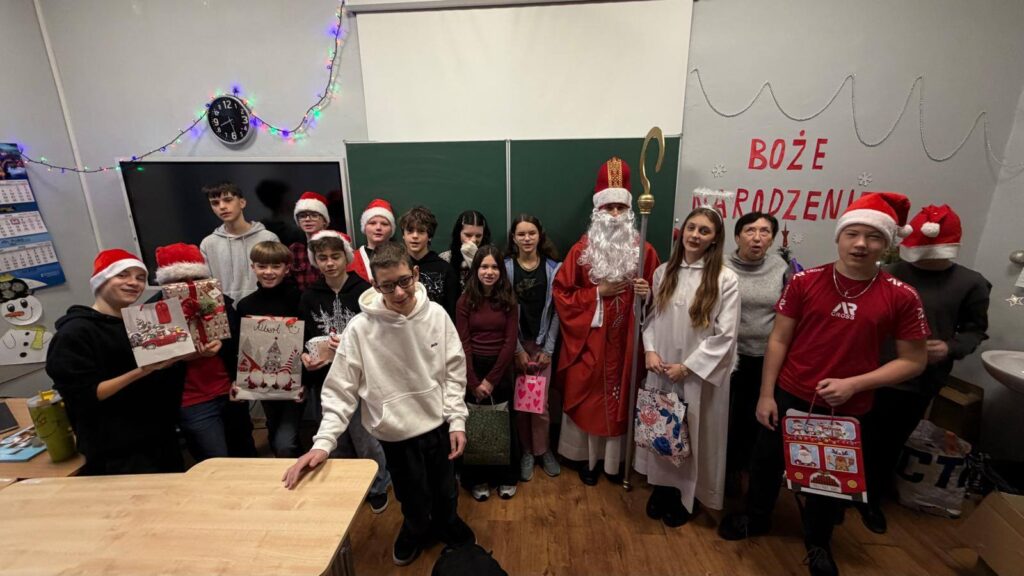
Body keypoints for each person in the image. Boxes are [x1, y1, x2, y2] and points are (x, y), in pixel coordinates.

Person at [718, 192, 930, 576]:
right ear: (839, 237)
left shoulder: (901, 296)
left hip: (847, 407)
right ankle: (758, 517)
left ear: (887, 243)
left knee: (829, 478)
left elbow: (914, 360)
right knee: (766, 461)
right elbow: (779, 339)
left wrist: (856, 384)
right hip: (789, 393)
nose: (861, 244)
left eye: (873, 236)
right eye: (853, 234)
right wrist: (766, 394)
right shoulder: (805, 281)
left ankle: (818, 542)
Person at [284, 241, 473, 567]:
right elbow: (340, 390)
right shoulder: (360, 329)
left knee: (445, 488)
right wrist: (323, 443)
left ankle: (448, 522)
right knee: (411, 494)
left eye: (404, 281)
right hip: (394, 432)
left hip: (438, 423)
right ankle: (415, 528)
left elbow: (454, 371)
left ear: (415, 273)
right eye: (387, 286)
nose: (398, 292)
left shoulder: (437, 315)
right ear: (374, 284)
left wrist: (457, 419)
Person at [859, 205, 991, 534]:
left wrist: (949, 348)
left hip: (918, 380)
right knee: (859, 434)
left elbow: (975, 331)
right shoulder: (886, 273)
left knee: (891, 441)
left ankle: (871, 499)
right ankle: (844, 492)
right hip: (868, 371)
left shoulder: (971, 284)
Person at [553, 157, 659, 485]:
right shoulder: (581, 251)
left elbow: (660, 300)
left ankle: (615, 464)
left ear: (629, 211)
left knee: (621, 398)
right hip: (590, 343)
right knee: (590, 401)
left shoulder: (645, 251)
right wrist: (598, 292)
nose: (614, 214)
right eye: (608, 207)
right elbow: (562, 294)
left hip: (627, 344)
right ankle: (587, 460)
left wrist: (647, 293)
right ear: (597, 210)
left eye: (620, 207)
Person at [637, 206, 740, 527]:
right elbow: (652, 319)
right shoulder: (664, 272)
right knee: (663, 428)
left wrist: (689, 367)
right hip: (662, 368)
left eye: (704, 231)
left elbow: (726, 335)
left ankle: (688, 496)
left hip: (697, 374)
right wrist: (650, 351)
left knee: (695, 433)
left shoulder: (725, 279)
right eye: (691, 228)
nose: (695, 235)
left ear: (715, 239)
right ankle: (663, 487)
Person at [46, 249, 185, 475]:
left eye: (140, 277)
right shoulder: (75, 332)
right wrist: (142, 370)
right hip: (116, 450)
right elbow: (83, 395)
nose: (134, 283)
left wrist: (191, 353)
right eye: (122, 275)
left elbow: (162, 369)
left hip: (159, 437)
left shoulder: (139, 324)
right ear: (100, 281)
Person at [299, 230, 391, 513]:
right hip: (324, 378)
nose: (329, 263)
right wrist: (305, 357)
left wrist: (352, 346)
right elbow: (302, 335)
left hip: (362, 378)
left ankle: (377, 485)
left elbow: (379, 334)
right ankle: (348, 486)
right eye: (323, 258)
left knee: (366, 439)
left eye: (335, 256)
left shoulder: (364, 291)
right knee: (336, 440)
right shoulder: (309, 296)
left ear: (346, 258)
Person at [152, 243, 256, 462]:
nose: (189, 286)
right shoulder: (154, 312)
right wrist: (185, 355)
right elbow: (153, 365)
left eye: (195, 279)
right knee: (214, 461)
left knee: (245, 451)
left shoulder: (219, 301)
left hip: (229, 390)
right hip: (192, 400)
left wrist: (223, 347)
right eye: (180, 281)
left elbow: (242, 344)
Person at [722, 211, 787, 492]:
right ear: (737, 237)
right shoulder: (720, 266)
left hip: (762, 356)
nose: (757, 237)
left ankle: (740, 468)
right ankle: (721, 468)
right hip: (725, 355)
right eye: (750, 231)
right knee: (724, 415)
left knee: (751, 416)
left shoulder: (781, 268)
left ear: (772, 239)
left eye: (765, 232)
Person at [456, 245, 520, 500]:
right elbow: (463, 342)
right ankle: (477, 480)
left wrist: (491, 380)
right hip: (472, 369)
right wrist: (473, 381)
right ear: (476, 269)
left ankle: (505, 477)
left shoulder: (509, 300)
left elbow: (510, 342)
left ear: (501, 271)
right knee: (476, 425)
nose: (489, 272)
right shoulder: (464, 301)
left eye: (494, 267)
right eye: (484, 266)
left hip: (500, 370)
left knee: (502, 423)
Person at [505, 213, 562, 480]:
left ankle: (543, 449)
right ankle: (527, 451)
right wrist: (517, 350)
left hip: (542, 346)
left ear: (540, 236)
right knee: (521, 403)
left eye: (531, 233)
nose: (527, 238)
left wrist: (548, 350)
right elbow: (505, 312)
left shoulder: (553, 269)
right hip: (516, 346)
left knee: (541, 404)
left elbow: (557, 312)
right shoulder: (506, 268)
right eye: (521, 234)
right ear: (513, 238)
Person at [236, 240, 305, 458]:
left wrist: (305, 383)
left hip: (295, 384)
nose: (268, 272)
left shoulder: (300, 299)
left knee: (285, 441)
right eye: (262, 266)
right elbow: (242, 348)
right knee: (275, 432)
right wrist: (239, 381)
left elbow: (308, 342)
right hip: (263, 385)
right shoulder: (246, 305)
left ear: (287, 268)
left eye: (276, 266)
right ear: (253, 267)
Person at [199, 181, 280, 302]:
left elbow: (278, 277)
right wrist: (222, 305)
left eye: (228, 200)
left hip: (262, 308)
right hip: (225, 310)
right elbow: (206, 285)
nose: (222, 206)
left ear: (242, 203)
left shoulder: (268, 238)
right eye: (215, 203)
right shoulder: (208, 244)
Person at [400, 206, 460, 319]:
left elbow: (451, 312)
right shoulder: (396, 268)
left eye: (421, 231)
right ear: (403, 235)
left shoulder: (445, 270)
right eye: (410, 231)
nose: (415, 236)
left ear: (430, 236)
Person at [348, 198, 397, 283]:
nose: (378, 227)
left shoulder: (401, 257)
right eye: (372, 223)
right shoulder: (351, 259)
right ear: (364, 228)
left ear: (391, 230)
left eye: (384, 224)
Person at [289, 191, 329, 291]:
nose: (307, 219)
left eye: (314, 215)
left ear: (324, 221)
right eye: (302, 216)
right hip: (302, 298)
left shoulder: (334, 245)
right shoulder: (295, 249)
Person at [441, 210, 491, 290]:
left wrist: (476, 262)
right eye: (468, 235)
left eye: (478, 236)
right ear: (459, 234)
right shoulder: (445, 258)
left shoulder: (491, 259)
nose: (473, 240)